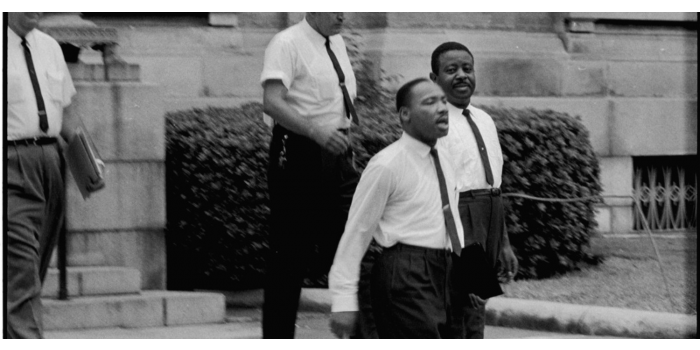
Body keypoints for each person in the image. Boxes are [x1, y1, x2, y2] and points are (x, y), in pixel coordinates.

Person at [329, 78, 464, 339]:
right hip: (406, 273)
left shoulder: (445, 158)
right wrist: (343, 301)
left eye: (444, 101)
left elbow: (451, 222)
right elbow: (357, 233)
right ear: (405, 115)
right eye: (430, 102)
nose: (442, 108)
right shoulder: (387, 165)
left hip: (446, 272)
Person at [259, 12, 363, 338]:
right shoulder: (286, 42)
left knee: (348, 246)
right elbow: (272, 103)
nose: (342, 14)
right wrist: (317, 133)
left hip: (337, 154)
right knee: (289, 257)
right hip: (300, 153)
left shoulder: (337, 42)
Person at [6, 12, 97, 338]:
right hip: (10, 161)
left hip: (50, 162)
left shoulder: (49, 47)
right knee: (21, 268)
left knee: (32, 270)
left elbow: (67, 113)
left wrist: (89, 165)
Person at [430, 41, 519, 339]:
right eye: (451, 70)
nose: (461, 76)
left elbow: (493, 184)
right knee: (461, 304)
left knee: (478, 304)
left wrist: (504, 242)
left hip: (490, 216)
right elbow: (441, 189)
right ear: (434, 79)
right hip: (461, 218)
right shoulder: (436, 123)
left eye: (467, 69)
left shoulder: (484, 119)